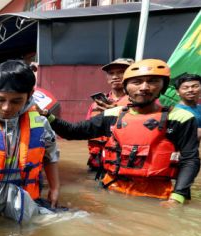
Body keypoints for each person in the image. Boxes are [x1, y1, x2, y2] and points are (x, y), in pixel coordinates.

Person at [40, 59, 200, 205]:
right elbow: (72, 132)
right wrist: (48, 115)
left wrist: (177, 197)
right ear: (126, 87)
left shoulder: (180, 118)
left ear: (163, 86)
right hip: (111, 191)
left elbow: (190, 159)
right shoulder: (112, 115)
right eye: (137, 82)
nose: (144, 87)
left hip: (158, 198)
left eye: (152, 81)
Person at [0, 60, 60, 223]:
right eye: (0, 99)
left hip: (24, 199)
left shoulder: (40, 123)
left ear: (29, 95)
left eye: (16, 101)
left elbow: (50, 156)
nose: (7, 107)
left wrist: (55, 187)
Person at [85, 58, 134, 170]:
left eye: (121, 72)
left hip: (124, 163)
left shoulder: (139, 104)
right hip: (97, 162)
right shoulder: (97, 103)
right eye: (111, 73)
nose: (115, 76)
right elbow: (87, 129)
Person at [173, 73, 201, 140]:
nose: (190, 90)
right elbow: (183, 135)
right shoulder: (176, 113)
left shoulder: (199, 107)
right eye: (185, 88)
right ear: (177, 92)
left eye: (195, 86)